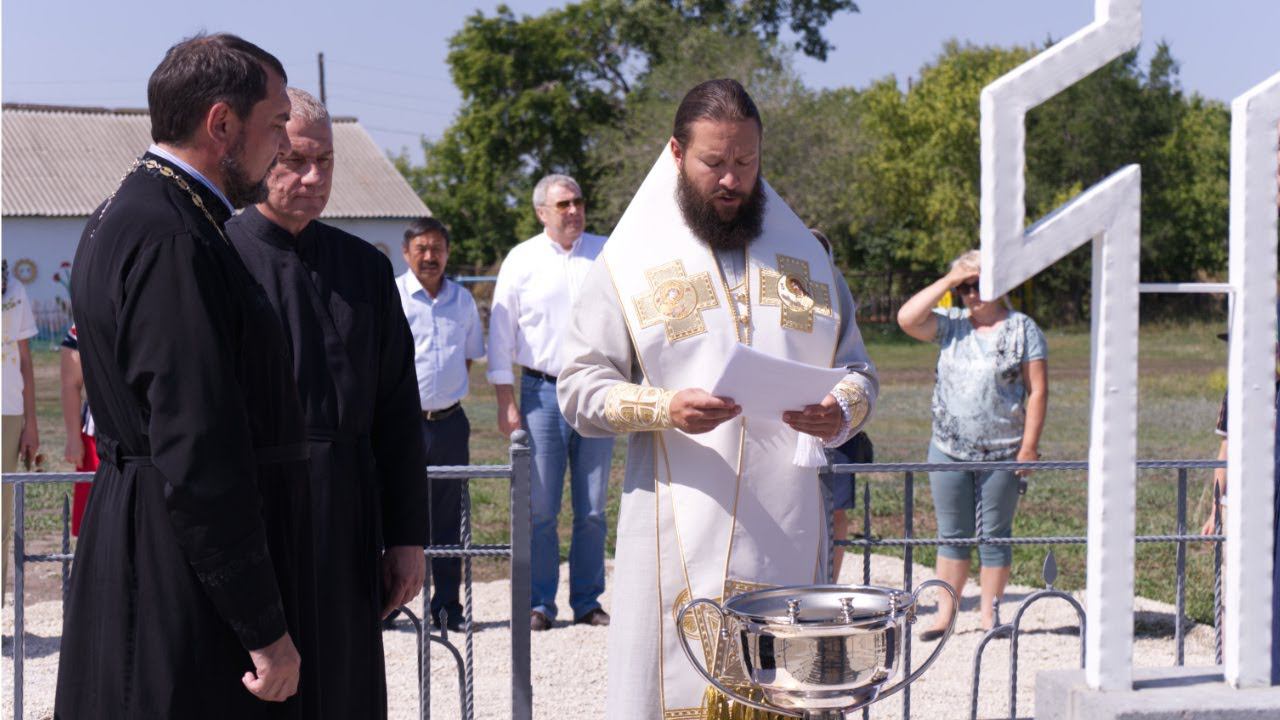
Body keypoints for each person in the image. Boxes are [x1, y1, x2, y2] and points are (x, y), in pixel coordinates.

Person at [557, 78, 878, 718]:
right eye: (714, 163)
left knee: (788, 693)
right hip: (676, 521)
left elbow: (860, 371)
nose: (731, 181)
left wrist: (840, 408)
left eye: (746, 163)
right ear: (676, 153)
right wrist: (663, 407)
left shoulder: (806, 258)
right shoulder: (629, 263)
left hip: (789, 524)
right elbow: (578, 388)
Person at [56, 33, 310, 717]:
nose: (284, 142)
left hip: (142, 531)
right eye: (275, 121)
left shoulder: (132, 210)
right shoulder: (173, 236)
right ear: (221, 123)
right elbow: (197, 448)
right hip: (175, 566)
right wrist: (264, 630)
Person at [226, 87, 428, 717]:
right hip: (254, 515)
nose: (314, 177)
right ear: (260, 154)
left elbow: (397, 408)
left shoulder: (364, 268)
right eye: (295, 160)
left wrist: (407, 537)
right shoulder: (218, 254)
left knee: (344, 683)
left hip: (346, 513)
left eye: (328, 162)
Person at [896, 249, 1048, 639]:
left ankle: (989, 615)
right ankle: (945, 615)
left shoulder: (1023, 328)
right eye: (965, 287)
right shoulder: (951, 325)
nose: (972, 294)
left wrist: (1029, 447)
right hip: (948, 448)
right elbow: (907, 319)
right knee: (952, 534)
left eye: (978, 284)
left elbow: (1037, 390)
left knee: (995, 534)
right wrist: (948, 280)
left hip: (1003, 450)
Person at [487, 173, 614, 631]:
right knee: (540, 508)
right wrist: (505, 399)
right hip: (541, 392)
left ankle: (587, 601)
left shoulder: (606, 253)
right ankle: (540, 603)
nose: (574, 210)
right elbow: (502, 335)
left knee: (595, 507)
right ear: (542, 211)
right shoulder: (522, 260)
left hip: (597, 389)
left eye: (578, 201)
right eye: (563, 204)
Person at [395, 217, 485, 633]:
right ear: (406, 252)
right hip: (401, 424)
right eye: (422, 249)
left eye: (438, 249)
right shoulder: (393, 295)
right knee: (393, 511)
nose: (430, 257)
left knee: (448, 517)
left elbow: (466, 357)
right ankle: (390, 602)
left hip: (449, 423)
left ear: (447, 253)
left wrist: (442, 394)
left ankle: (447, 604)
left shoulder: (463, 301)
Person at [2, 258, 39, 595]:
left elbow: (26, 361)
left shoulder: (14, 290)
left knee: (1, 514)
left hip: (8, 411)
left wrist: (32, 425)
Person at [58, 324, 97, 535]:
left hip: (152, 429)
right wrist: (73, 436)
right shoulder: (87, 314)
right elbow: (70, 382)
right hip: (98, 436)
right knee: (93, 524)